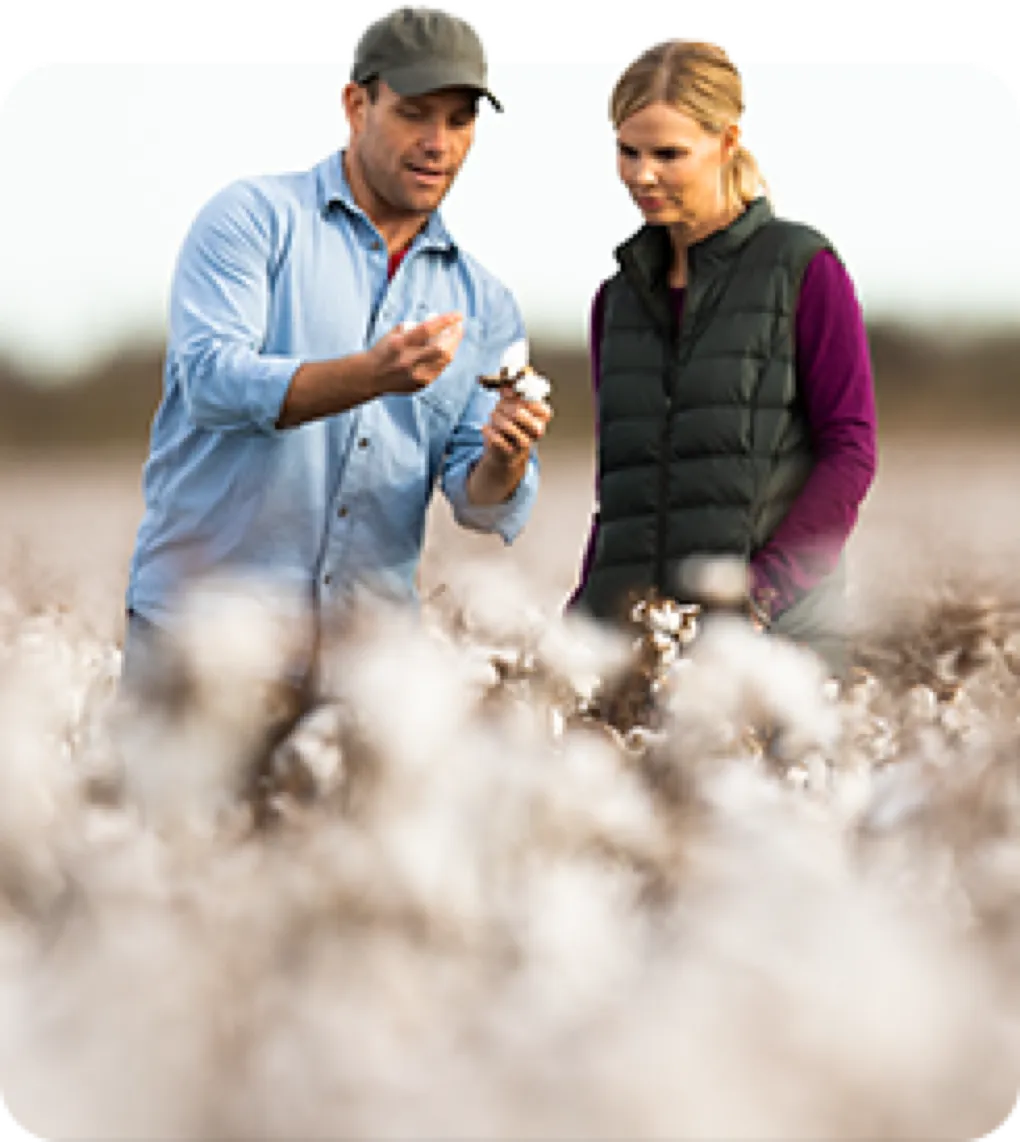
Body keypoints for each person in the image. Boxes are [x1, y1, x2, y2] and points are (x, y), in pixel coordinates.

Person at [121, 4, 551, 702]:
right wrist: (370, 376)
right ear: (357, 104)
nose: (438, 143)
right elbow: (210, 381)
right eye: (415, 113)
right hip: (203, 642)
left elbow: (480, 504)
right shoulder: (254, 220)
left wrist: (506, 455)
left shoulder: (485, 301)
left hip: (363, 672)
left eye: (460, 120)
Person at [568, 36, 877, 679]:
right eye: (628, 151)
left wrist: (758, 596)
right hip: (633, 657)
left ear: (727, 142)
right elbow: (625, 490)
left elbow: (850, 453)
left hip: (770, 661)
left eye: (668, 154)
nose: (641, 174)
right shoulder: (615, 300)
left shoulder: (802, 269)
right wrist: (581, 625)